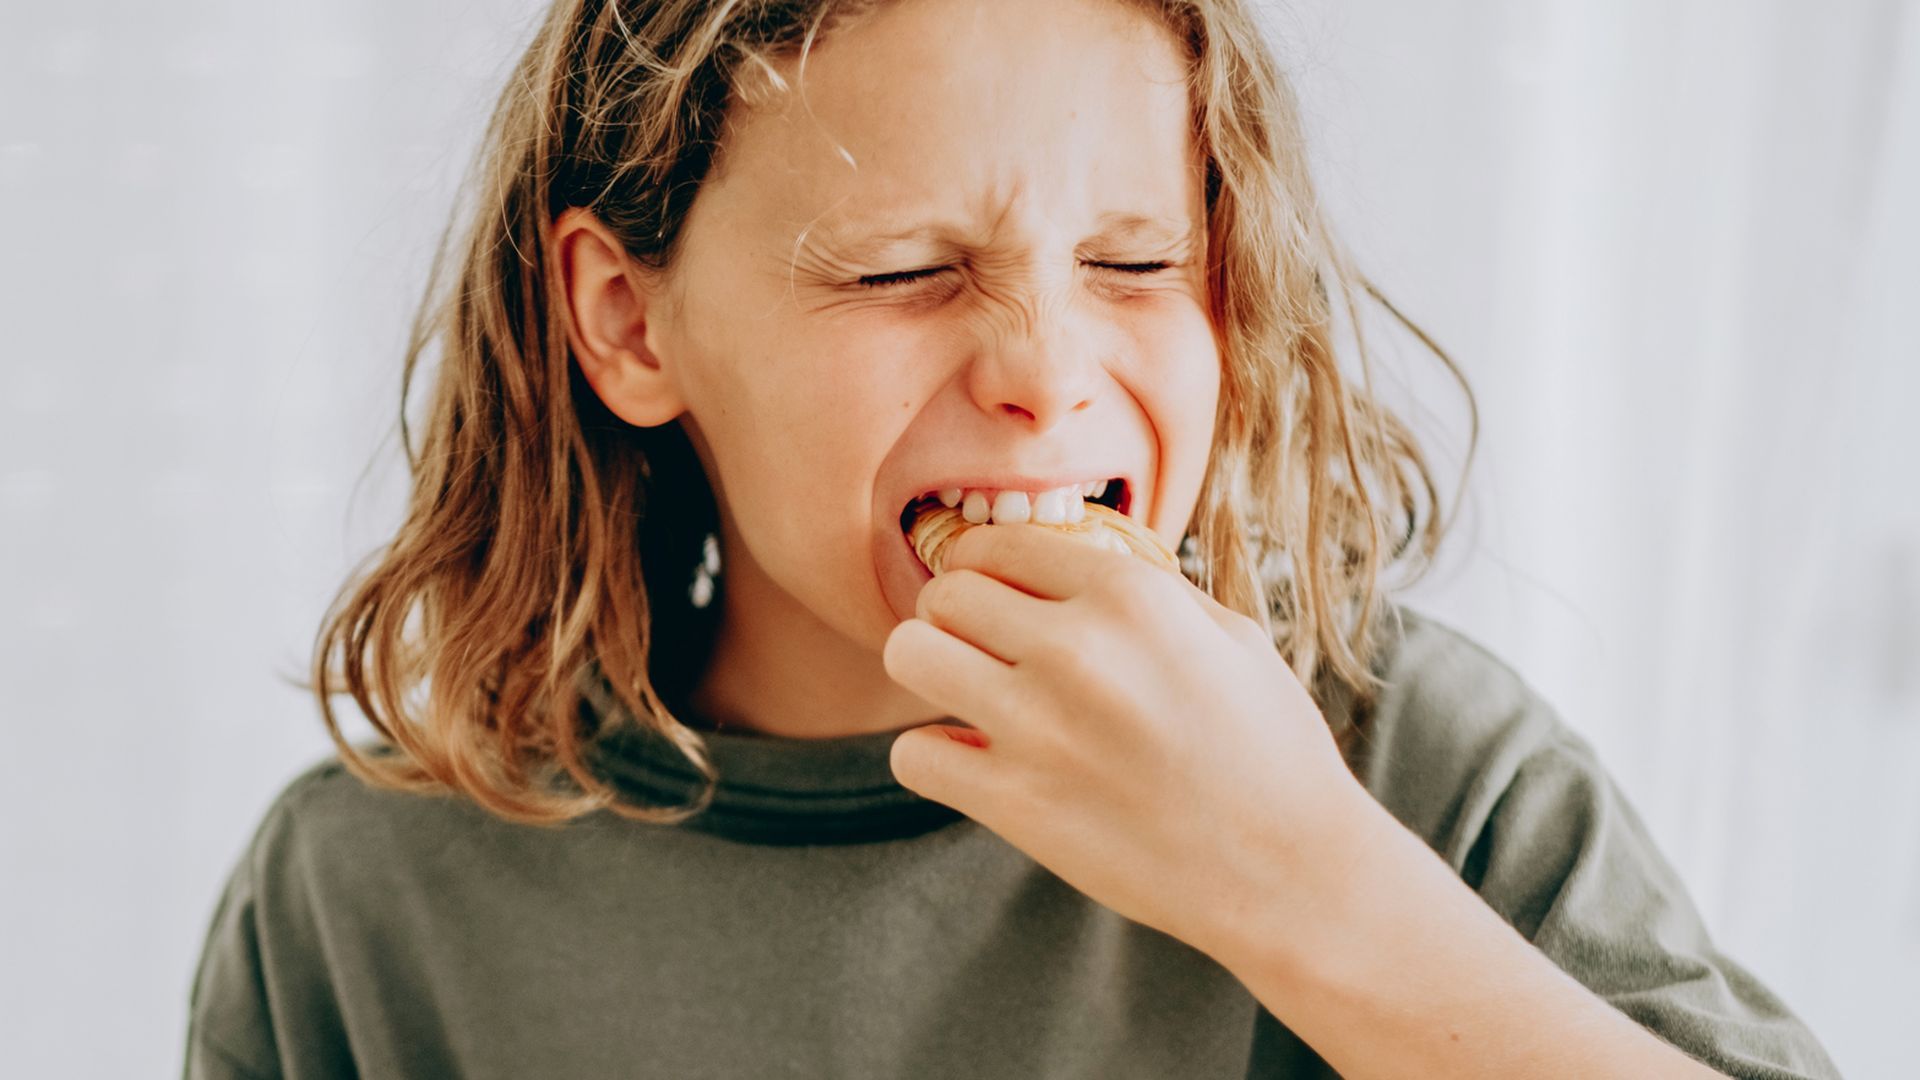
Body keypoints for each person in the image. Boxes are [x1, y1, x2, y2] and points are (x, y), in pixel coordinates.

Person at [183, 0, 1844, 1077]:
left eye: (1135, 264)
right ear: (627, 320)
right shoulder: (367, 901)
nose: (1048, 373)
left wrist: (1306, 886)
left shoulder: (1412, 773)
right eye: (903, 271)